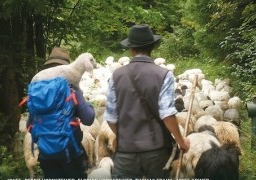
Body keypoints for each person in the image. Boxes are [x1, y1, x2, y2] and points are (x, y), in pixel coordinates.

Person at [104, 24, 190, 178]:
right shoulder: (164, 75)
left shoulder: (115, 76)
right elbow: (167, 114)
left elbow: (110, 117)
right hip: (156, 151)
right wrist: (181, 141)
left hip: (126, 153)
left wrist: (125, 136)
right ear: (152, 47)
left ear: (130, 49)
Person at [27, 47, 95, 179]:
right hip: (70, 152)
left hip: (46, 154)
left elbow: (30, 126)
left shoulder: (37, 93)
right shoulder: (72, 89)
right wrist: (90, 105)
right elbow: (88, 119)